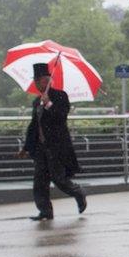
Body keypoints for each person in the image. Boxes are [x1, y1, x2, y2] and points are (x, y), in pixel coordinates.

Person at [16, 62, 87, 221]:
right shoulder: (37, 102)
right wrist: (26, 147)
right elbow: (34, 126)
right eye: (36, 81)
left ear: (48, 81)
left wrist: (49, 103)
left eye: (41, 80)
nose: (38, 83)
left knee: (59, 179)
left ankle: (78, 192)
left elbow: (61, 117)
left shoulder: (61, 96)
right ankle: (45, 211)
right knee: (40, 181)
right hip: (41, 148)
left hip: (57, 146)